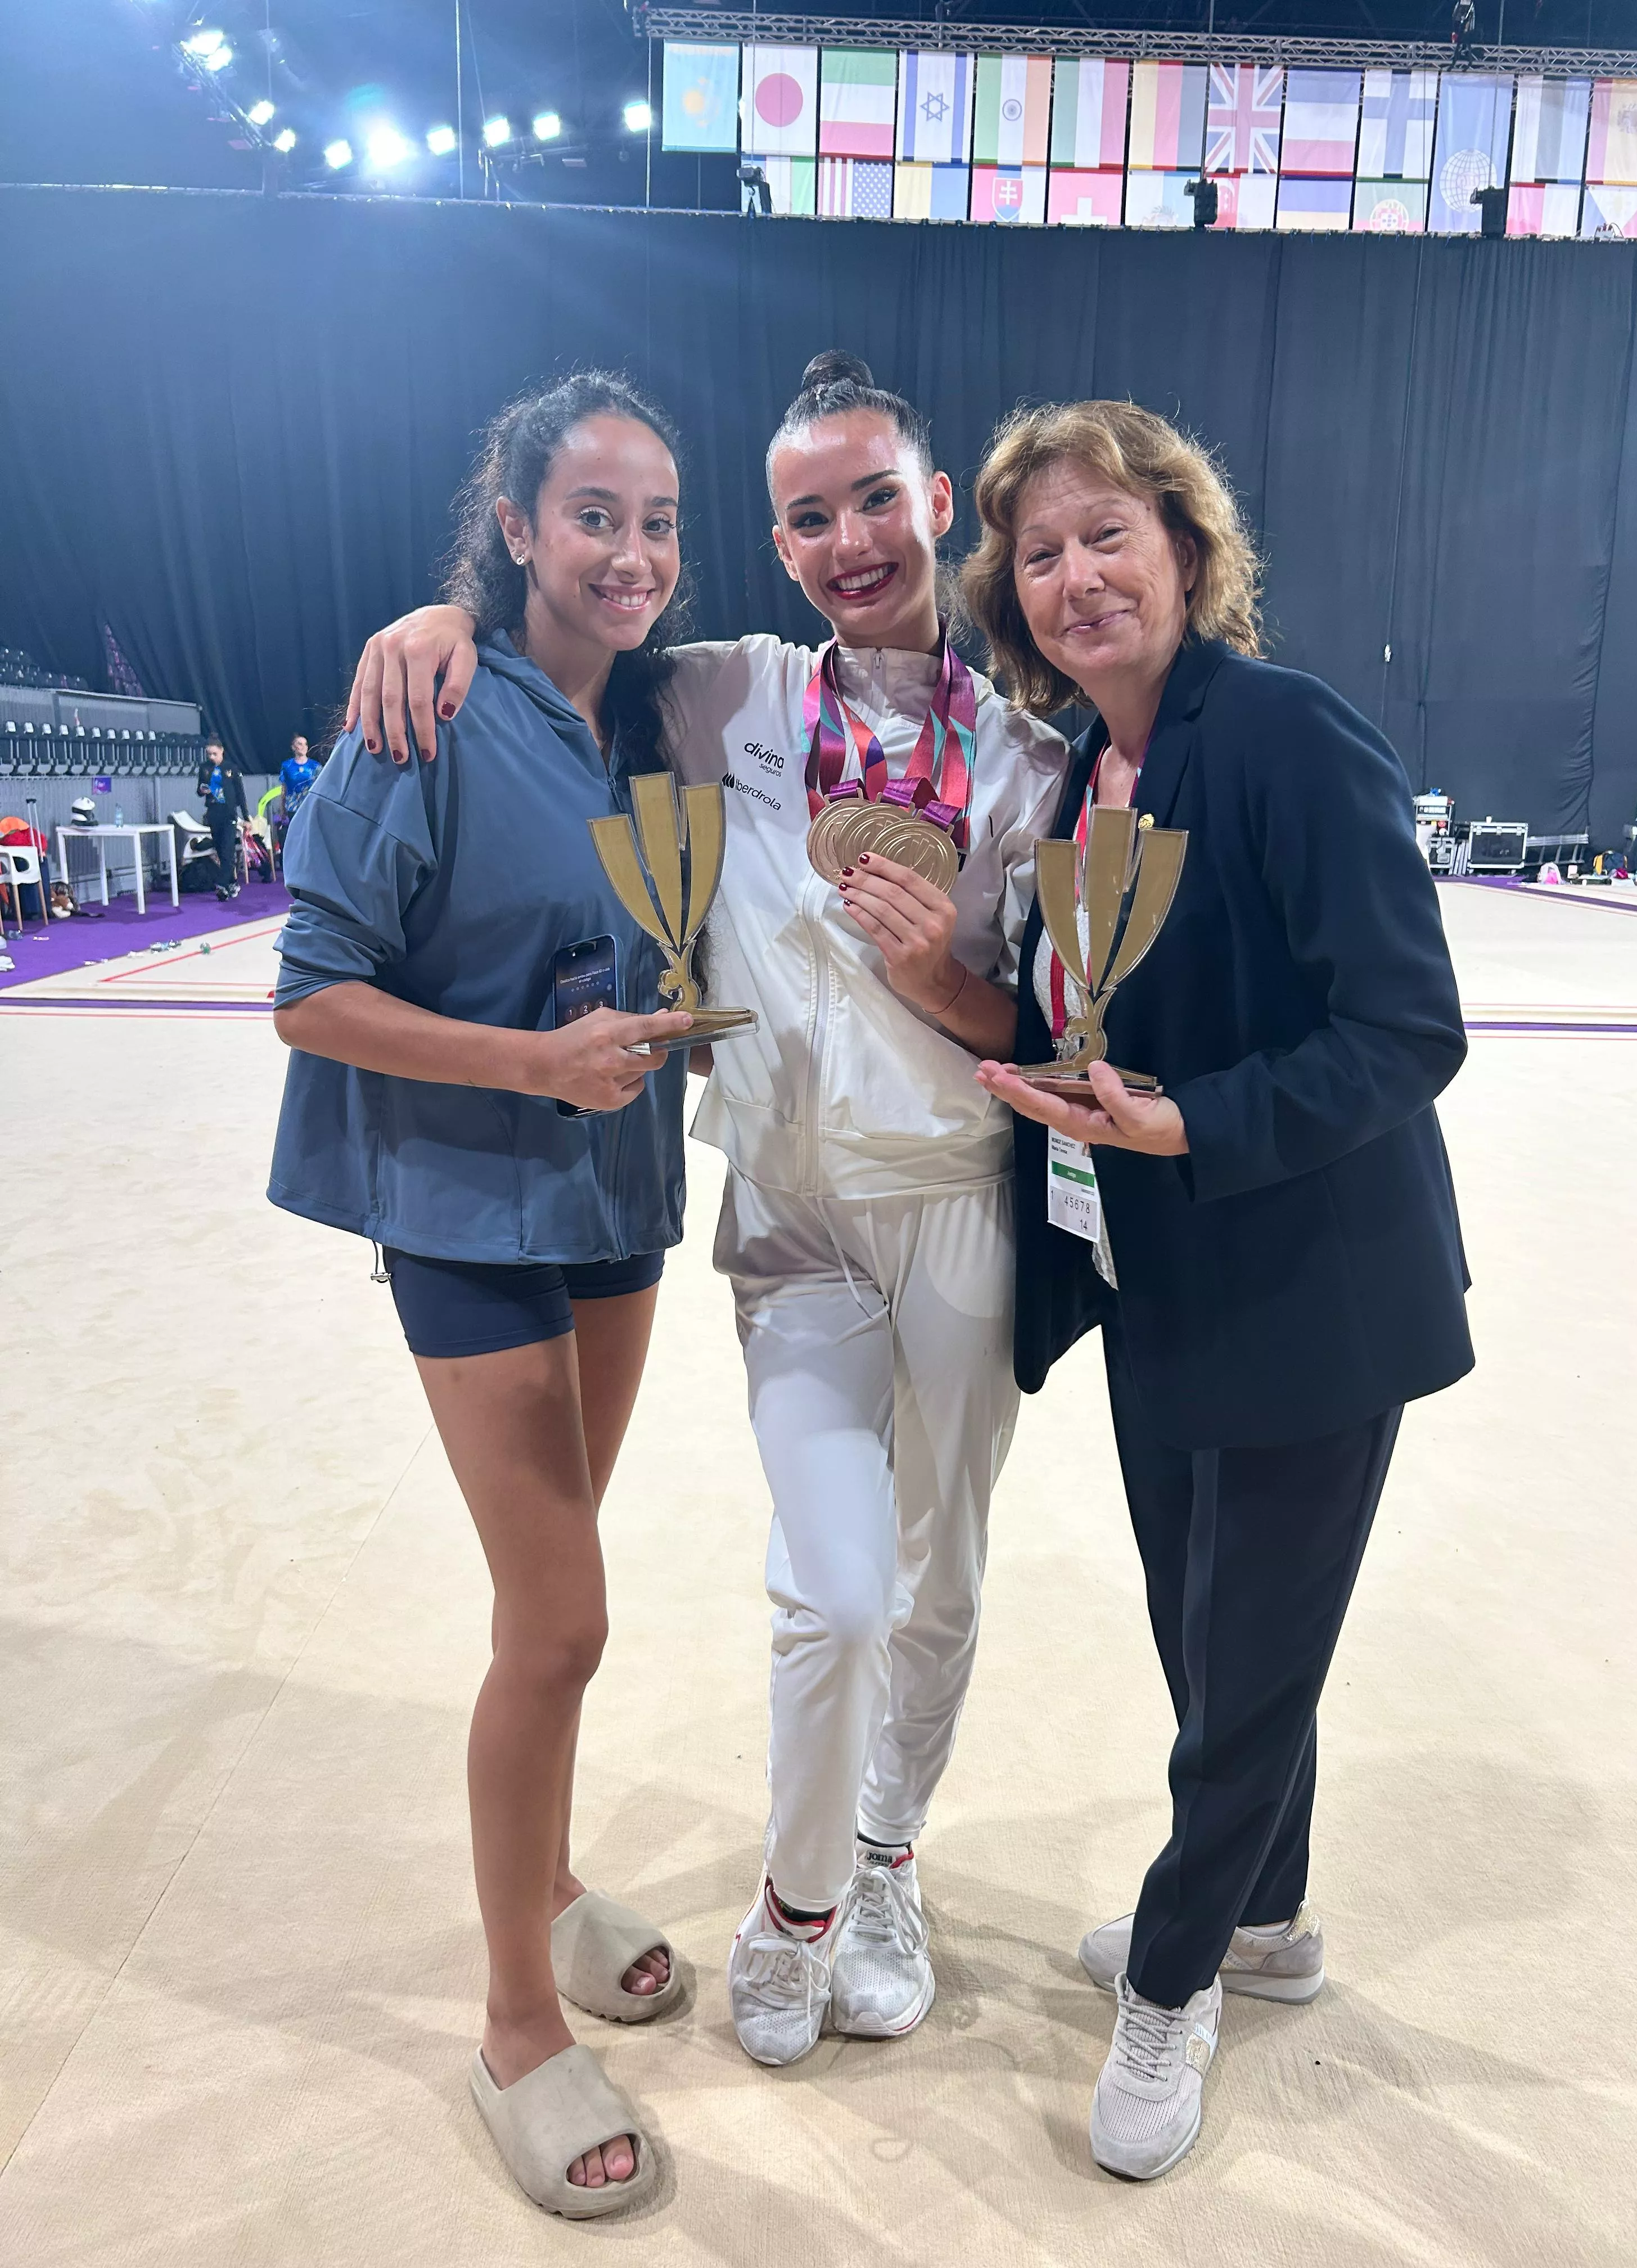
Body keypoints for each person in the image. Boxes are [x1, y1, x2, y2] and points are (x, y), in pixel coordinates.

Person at [345, 352, 1070, 2071]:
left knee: (942, 1582)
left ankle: (887, 1865)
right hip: (793, 1225)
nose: (848, 539)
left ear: (935, 502)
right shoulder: (726, 696)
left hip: (960, 1209)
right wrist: (435, 621)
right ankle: (797, 1897)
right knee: (837, 1592)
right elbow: (555, 646)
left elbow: (1043, 1020)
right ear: (781, 543)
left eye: (876, 499)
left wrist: (950, 976)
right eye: (809, 517)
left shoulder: (1032, 758)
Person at [964, 399, 1473, 2182]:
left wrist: (1196, 1121)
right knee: (1214, 1647)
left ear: (1187, 547)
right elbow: (1100, 1015)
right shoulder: (1073, 769)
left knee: (1248, 1668)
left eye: (1111, 533)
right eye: (1041, 554)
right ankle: (1269, 1918)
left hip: (1313, 1283)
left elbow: (1410, 1029)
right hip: (1161, 1273)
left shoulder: (1284, 733)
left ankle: (1176, 1983)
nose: (1079, 574)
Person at [270, 374, 702, 2220]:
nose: (633, 553)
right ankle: (519, 2023)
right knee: (560, 1620)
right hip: (468, 1203)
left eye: (660, 522)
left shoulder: (667, 721)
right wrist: (532, 1069)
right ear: (513, 525)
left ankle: (546, 1878)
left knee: (565, 1584)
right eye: (594, 513)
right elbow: (309, 989)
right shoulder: (423, 704)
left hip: (617, 1194)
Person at [196, 736, 251, 900]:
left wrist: (246, 817)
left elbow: (240, 794)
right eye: (209, 754)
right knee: (220, 850)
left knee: (228, 850)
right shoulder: (204, 768)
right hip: (213, 813)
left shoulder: (231, 768)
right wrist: (202, 790)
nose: (211, 757)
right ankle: (232, 883)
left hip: (229, 814)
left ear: (222, 751)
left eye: (214, 754)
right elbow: (199, 790)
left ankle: (221, 884)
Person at [277, 731, 322, 849]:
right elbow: (284, 790)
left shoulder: (315, 766)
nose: (303, 747)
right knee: (296, 837)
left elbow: (321, 788)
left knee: (310, 836)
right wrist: (282, 809)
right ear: (293, 747)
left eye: (305, 744)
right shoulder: (287, 766)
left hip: (310, 807)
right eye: (300, 744)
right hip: (293, 807)